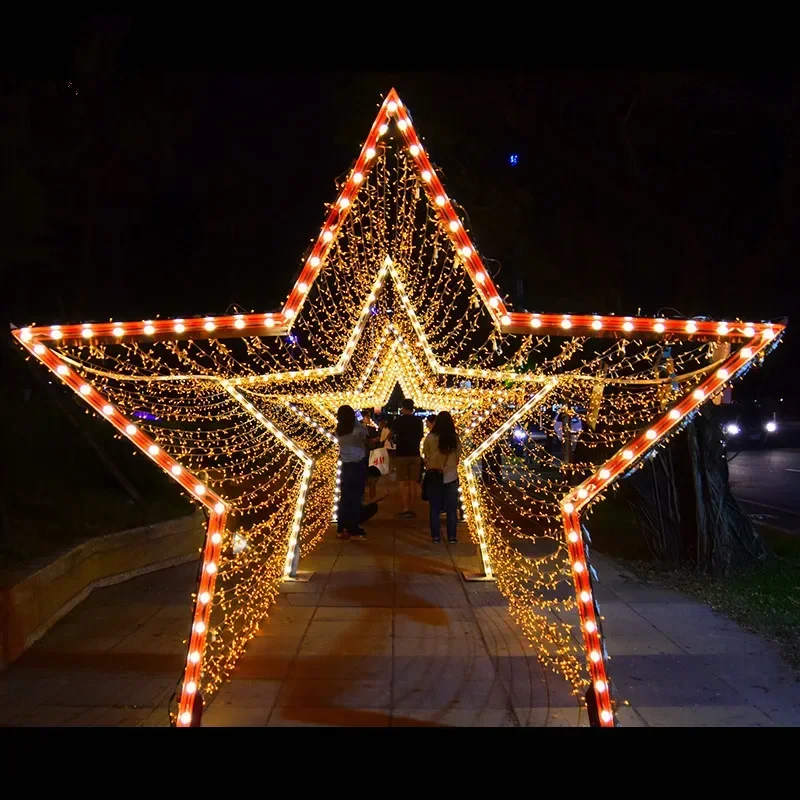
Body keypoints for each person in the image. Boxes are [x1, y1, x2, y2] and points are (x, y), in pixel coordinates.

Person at [335, 405, 378, 540]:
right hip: (357, 465)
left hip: (345, 466)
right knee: (355, 498)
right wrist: (376, 440)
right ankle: (353, 529)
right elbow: (368, 443)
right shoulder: (358, 429)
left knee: (345, 498)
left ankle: (341, 528)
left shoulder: (339, 430)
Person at [422, 410, 461, 543]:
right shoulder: (454, 438)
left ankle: (436, 537)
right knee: (451, 509)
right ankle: (452, 537)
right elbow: (457, 457)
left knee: (434, 508)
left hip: (434, 476)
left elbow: (425, 456)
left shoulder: (430, 438)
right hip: (451, 476)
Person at [391, 398, 424, 519]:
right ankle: (412, 507)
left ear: (403, 408)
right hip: (415, 454)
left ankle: (406, 508)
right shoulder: (418, 421)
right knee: (413, 482)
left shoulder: (398, 421)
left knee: (402, 482)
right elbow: (420, 436)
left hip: (401, 454)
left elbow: (393, 435)